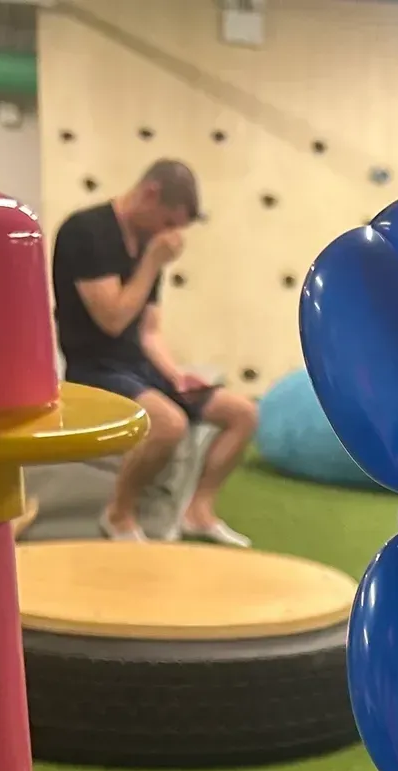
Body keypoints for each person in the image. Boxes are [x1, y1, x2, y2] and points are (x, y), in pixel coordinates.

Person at [52, 160, 256, 545]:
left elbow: (148, 330)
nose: (171, 235)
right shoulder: (86, 232)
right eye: (168, 222)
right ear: (149, 194)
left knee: (242, 413)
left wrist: (175, 374)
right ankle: (118, 515)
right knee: (169, 424)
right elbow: (111, 319)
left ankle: (198, 512)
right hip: (93, 368)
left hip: (138, 367)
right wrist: (151, 263)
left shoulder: (149, 242)